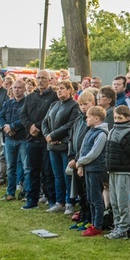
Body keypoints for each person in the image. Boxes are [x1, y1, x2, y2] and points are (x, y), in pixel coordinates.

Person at [21, 70, 59, 210]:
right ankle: (32, 200)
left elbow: (51, 116)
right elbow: (23, 115)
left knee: (48, 172)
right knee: (32, 171)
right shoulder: (30, 97)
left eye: (44, 78)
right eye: (39, 78)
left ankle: (51, 199)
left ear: (49, 80)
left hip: (46, 139)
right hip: (31, 139)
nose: (41, 80)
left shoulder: (54, 97)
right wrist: (30, 126)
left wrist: (38, 127)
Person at [42, 81, 80, 213]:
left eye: (62, 88)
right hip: (52, 145)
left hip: (65, 145)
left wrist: (53, 135)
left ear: (70, 90)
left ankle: (70, 202)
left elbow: (71, 124)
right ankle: (60, 202)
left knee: (67, 175)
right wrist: (48, 136)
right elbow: (45, 122)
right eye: (58, 89)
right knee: (57, 175)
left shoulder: (75, 105)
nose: (59, 91)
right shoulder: (54, 104)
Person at [104, 105, 130, 239]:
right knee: (114, 201)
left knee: (122, 200)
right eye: (115, 117)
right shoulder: (113, 129)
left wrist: (122, 142)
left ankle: (124, 228)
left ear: (127, 117)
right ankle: (117, 225)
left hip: (123, 170)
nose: (117, 120)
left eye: (120, 117)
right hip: (112, 169)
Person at [77, 106, 109, 237]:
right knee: (90, 197)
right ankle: (92, 222)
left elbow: (94, 153)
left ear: (96, 119)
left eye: (89, 116)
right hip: (88, 168)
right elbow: (83, 149)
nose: (86, 119)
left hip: (96, 169)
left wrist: (80, 162)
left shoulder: (101, 134)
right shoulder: (90, 131)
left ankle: (98, 225)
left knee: (96, 198)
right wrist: (81, 165)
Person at [67, 90, 98, 224]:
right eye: (80, 104)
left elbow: (86, 145)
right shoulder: (78, 119)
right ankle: (83, 215)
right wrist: (71, 157)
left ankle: (90, 218)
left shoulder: (92, 123)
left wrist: (78, 159)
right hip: (75, 161)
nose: (83, 107)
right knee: (80, 191)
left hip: (85, 162)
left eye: (86, 104)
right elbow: (71, 139)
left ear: (93, 103)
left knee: (87, 192)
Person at [0, 79, 28, 202]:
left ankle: (25, 192)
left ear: (24, 89)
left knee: (26, 167)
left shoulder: (28, 103)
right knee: (11, 167)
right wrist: (5, 127)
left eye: (20, 88)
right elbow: (0, 116)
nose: (17, 90)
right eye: (15, 87)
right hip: (9, 139)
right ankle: (10, 192)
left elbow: (25, 119)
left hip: (23, 139)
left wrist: (12, 126)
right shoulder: (8, 103)